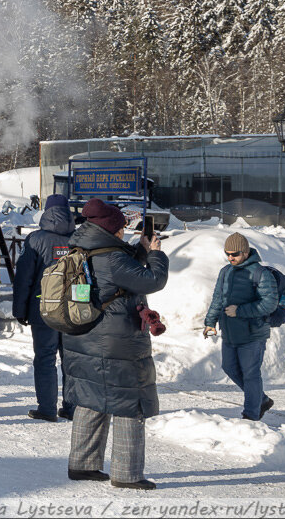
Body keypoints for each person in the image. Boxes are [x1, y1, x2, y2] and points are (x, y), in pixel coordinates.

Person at [63, 198, 168, 490]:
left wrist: (141, 250)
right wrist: (157, 255)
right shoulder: (113, 257)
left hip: (84, 336)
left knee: (91, 399)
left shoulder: (82, 249)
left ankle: (82, 465)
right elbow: (151, 281)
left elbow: (119, 274)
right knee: (128, 403)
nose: (124, 232)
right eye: (121, 227)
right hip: (115, 344)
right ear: (110, 229)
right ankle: (127, 473)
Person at [12, 193, 76, 421]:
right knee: (70, 359)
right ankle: (71, 408)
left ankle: (47, 408)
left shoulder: (36, 239)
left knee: (45, 358)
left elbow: (24, 278)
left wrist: (19, 310)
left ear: (46, 213)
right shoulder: (79, 238)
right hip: (73, 310)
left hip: (44, 310)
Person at [203, 232, 278, 421]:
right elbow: (218, 299)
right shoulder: (225, 271)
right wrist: (210, 322)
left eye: (234, 254)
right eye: (227, 254)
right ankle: (261, 399)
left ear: (245, 252)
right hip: (229, 332)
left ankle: (251, 416)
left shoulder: (261, 273)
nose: (230, 258)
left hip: (253, 335)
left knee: (251, 374)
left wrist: (240, 311)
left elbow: (270, 303)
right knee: (229, 367)